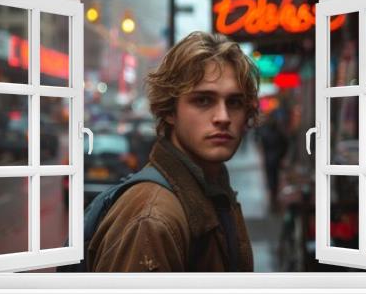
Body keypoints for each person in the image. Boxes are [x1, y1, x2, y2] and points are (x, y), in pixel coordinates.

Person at [87, 31, 260, 272]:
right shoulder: (152, 219)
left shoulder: (215, 191)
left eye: (234, 102)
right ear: (169, 110)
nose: (223, 117)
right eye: (203, 100)